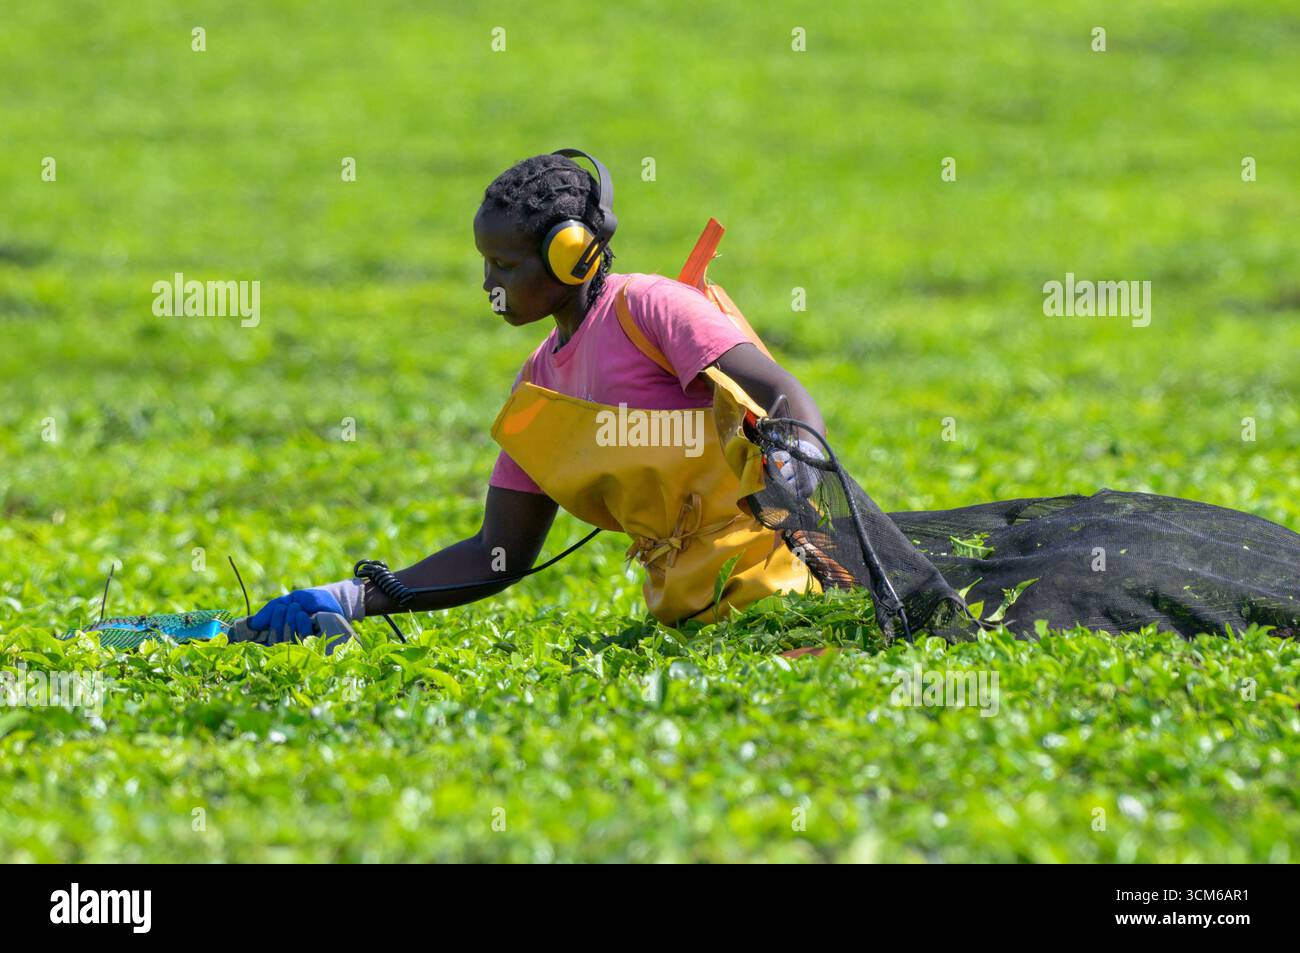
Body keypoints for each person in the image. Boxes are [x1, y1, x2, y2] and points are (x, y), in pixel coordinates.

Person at [246, 149, 1300, 644]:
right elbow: (497, 556)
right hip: (687, 623)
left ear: (571, 257)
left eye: (507, 267)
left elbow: (781, 392)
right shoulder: (536, 397)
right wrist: (361, 597)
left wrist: (790, 457)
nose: (489, 286)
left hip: (787, 592)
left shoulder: (651, 309)